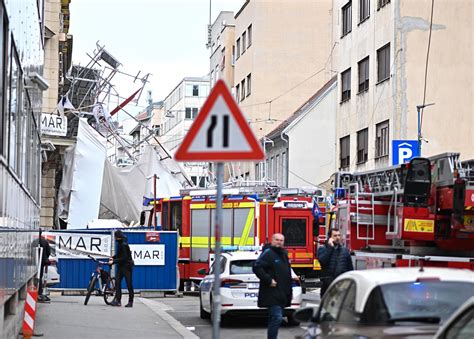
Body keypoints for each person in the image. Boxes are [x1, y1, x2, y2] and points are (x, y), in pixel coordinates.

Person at [253, 234, 292, 339]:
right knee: (277, 318)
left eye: (281, 240)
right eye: (277, 240)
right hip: (272, 293)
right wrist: (268, 280)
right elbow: (257, 267)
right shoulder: (268, 253)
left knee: (274, 318)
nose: (279, 242)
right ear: (272, 240)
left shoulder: (283, 254)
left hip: (282, 293)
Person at [317, 228, 353, 298]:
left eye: (339, 235)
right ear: (330, 237)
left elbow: (350, 269)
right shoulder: (322, 249)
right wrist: (330, 247)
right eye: (335, 236)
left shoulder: (345, 251)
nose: (337, 238)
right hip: (327, 287)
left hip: (341, 287)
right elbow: (322, 261)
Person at [109, 230, 134, 307]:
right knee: (117, 282)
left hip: (126, 266)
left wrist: (113, 261)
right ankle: (118, 301)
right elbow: (119, 255)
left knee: (128, 284)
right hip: (121, 266)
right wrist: (113, 258)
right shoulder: (121, 243)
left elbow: (124, 257)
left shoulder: (123, 244)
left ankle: (130, 302)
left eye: (115, 237)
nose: (115, 238)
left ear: (117, 237)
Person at [37, 229, 51, 303]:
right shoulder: (44, 241)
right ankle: (39, 291)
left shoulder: (34, 241)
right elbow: (49, 252)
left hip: (35, 262)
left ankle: (37, 291)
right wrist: (45, 258)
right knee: (40, 276)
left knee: (36, 277)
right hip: (42, 262)